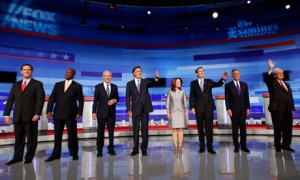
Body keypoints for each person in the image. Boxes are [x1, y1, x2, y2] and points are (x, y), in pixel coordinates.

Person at [3, 64, 45, 165]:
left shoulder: (38, 84)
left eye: (29, 70)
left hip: (31, 116)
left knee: (31, 138)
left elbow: (40, 100)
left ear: (31, 71)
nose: (27, 71)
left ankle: (28, 158)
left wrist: (37, 113)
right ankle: (17, 157)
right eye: (25, 70)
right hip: (18, 116)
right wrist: (6, 115)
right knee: (19, 139)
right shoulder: (16, 84)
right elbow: (10, 100)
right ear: (21, 71)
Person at [45, 68, 84, 162]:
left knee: (72, 135)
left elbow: (81, 100)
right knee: (57, 136)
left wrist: (79, 112)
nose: (67, 73)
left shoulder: (78, 86)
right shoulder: (58, 85)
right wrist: (49, 111)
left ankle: (74, 154)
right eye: (66, 72)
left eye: (69, 72)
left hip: (71, 114)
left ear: (73, 75)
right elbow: (52, 98)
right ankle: (55, 155)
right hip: (58, 114)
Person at [126, 66, 164, 156]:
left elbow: (154, 83)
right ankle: (135, 149)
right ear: (134, 73)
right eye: (138, 71)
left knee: (144, 130)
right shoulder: (129, 84)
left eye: (141, 71)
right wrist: (128, 109)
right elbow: (127, 98)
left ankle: (144, 149)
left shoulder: (145, 81)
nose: (140, 72)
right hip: (135, 110)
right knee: (135, 130)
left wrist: (157, 78)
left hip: (144, 109)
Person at [189, 67, 228, 154]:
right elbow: (191, 96)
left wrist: (223, 79)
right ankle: (202, 146)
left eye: (203, 71)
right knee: (200, 128)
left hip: (208, 108)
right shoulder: (193, 83)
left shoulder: (209, 81)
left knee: (209, 128)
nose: (202, 72)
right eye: (200, 71)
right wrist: (192, 107)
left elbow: (218, 84)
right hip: (198, 108)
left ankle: (210, 146)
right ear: (196, 74)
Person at [265, 59, 295, 152]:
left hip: (288, 109)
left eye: (282, 73)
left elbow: (290, 96)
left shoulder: (287, 84)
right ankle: (277, 146)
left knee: (288, 128)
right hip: (277, 109)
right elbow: (267, 78)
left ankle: (286, 145)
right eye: (279, 73)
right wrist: (270, 68)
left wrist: (292, 108)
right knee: (278, 128)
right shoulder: (272, 83)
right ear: (275, 75)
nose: (281, 74)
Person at [92, 71, 119, 157]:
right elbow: (95, 101)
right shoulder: (98, 87)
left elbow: (117, 98)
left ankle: (111, 149)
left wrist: (114, 100)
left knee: (111, 132)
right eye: (105, 76)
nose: (107, 77)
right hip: (101, 113)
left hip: (111, 114)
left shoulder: (114, 87)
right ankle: (99, 150)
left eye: (109, 76)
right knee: (100, 133)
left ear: (111, 77)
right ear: (103, 77)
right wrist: (93, 112)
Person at [225, 69, 250, 153]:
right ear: (232, 75)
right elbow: (227, 98)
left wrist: (248, 108)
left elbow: (247, 98)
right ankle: (236, 146)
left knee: (243, 129)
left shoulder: (244, 85)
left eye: (238, 73)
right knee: (235, 129)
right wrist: (228, 109)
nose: (236, 75)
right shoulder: (228, 85)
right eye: (234, 74)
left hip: (243, 110)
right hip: (233, 111)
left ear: (239, 74)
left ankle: (244, 145)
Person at [166, 78, 188, 153]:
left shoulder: (183, 91)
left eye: (180, 82)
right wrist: (168, 113)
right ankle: (175, 146)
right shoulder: (170, 92)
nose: (179, 83)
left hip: (181, 112)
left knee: (180, 130)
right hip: (173, 112)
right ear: (174, 83)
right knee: (174, 130)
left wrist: (186, 111)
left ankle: (180, 146)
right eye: (177, 81)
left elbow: (185, 102)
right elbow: (168, 103)